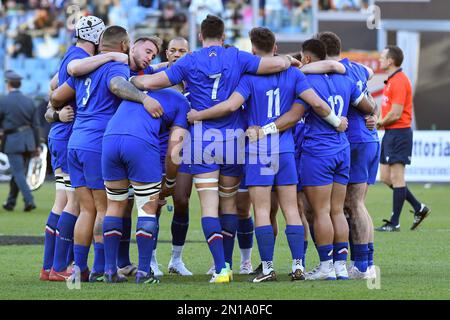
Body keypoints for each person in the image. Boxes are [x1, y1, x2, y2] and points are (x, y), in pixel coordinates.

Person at [131, 15, 305, 283]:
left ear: (200, 37)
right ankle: (238, 264)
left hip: (202, 140)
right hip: (234, 140)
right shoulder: (237, 56)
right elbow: (275, 63)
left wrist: (133, 81)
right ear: (224, 37)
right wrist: (290, 60)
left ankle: (221, 268)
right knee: (230, 206)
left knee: (209, 208)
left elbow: (153, 82)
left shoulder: (189, 60)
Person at [186, 28, 349, 282]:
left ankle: (269, 268)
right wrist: (337, 120)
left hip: (259, 151)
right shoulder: (295, 74)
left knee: (261, 210)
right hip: (284, 150)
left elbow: (230, 106)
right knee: (291, 209)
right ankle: (298, 266)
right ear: (275, 48)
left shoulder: (249, 77)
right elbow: (315, 103)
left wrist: (199, 115)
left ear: (253, 51)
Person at [50, 25, 162, 283]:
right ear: (124, 45)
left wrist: (54, 112)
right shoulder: (116, 67)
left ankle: (79, 269)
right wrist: (144, 99)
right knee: (105, 208)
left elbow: (56, 95)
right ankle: (102, 268)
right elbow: (116, 85)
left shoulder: (86, 68)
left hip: (75, 142)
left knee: (85, 209)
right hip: (97, 143)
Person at [297, 39, 375, 280]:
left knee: (319, 211)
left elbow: (297, 113)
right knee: (339, 210)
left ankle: (326, 267)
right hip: (344, 148)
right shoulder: (347, 76)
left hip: (319, 150)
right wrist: (374, 117)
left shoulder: (306, 80)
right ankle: (346, 266)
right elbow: (368, 105)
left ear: (308, 58)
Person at [41, 15, 106, 282]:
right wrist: (112, 58)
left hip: (61, 134)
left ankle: (49, 267)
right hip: (71, 134)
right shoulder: (79, 58)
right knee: (75, 203)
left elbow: (53, 86)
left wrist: (53, 114)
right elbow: (59, 89)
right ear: (95, 37)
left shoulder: (70, 54)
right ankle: (60, 266)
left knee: (63, 201)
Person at [102, 88, 189, 284]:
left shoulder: (138, 90)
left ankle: (109, 270)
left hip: (109, 139)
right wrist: (170, 182)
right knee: (147, 208)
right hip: (139, 142)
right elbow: (174, 151)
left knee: (114, 206)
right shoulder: (181, 101)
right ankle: (143, 272)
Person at [316, 31, 378, 279]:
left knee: (352, 204)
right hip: (369, 139)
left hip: (354, 140)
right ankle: (367, 262)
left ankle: (362, 265)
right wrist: (376, 115)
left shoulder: (336, 72)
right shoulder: (357, 69)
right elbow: (370, 86)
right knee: (357, 203)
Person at [375, 45, 430, 232]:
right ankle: (418, 207)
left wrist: (378, 122)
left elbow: (396, 113)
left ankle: (394, 222)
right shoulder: (391, 80)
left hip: (399, 133)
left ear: (390, 61)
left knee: (398, 178)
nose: (380, 59)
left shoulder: (399, 80)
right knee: (385, 177)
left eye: (382, 57)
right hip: (391, 134)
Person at [0, 70, 40, 212]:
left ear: (8, 84)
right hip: (28, 141)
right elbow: (35, 125)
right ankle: (10, 202)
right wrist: (37, 145)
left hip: (13, 140)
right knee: (18, 172)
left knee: (18, 172)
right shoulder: (29, 101)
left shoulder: (3, 101)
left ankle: (29, 200)